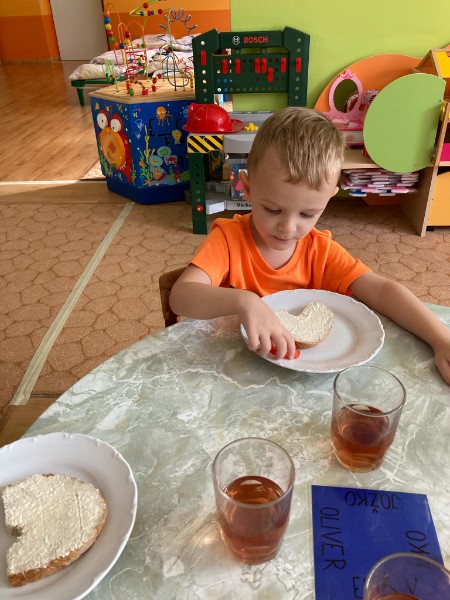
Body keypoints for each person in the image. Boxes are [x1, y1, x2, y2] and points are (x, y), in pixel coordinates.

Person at [170, 106, 450, 383]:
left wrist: (441, 339)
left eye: (307, 214)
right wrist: (244, 301)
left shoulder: (320, 251)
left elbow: (382, 290)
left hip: (310, 384)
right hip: (235, 375)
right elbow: (180, 296)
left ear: (329, 197)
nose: (288, 227)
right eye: (273, 209)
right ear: (247, 188)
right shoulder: (229, 240)